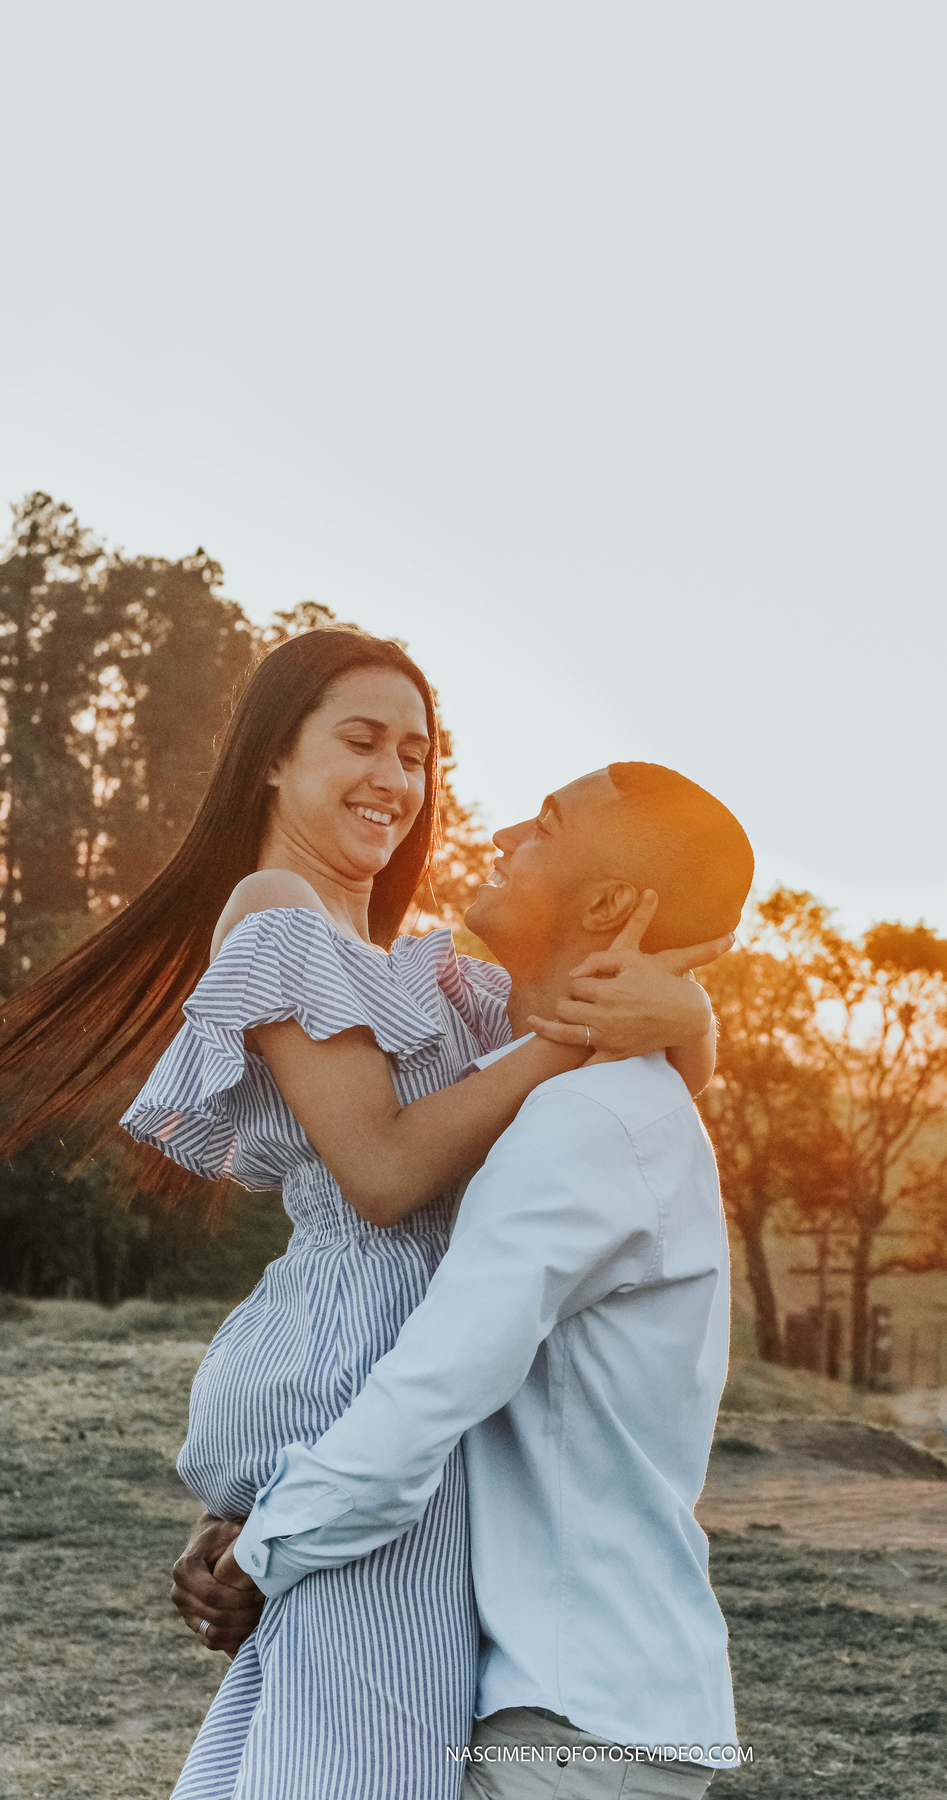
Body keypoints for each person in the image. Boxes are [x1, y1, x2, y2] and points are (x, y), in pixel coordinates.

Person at [0, 628, 727, 1800]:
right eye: (359, 741)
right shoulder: (279, 911)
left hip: (383, 1433)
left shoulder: (423, 976)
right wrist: (573, 1035)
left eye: (418, 753)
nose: (396, 778)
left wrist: (682, 1015)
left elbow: (621, 1101)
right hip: (373, 1412)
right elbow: (384, 1177)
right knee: (349, 1757)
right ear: (272, 762)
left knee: (308, 1748)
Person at [207, 759, 755, 1797]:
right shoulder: (594, 1099)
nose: (502, 834)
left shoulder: (583, 1124)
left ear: (605, 904)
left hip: (575, 1720)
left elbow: (429, 1394)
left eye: (545, 825)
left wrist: (261, 1552)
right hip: (597, 1701)